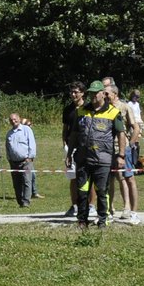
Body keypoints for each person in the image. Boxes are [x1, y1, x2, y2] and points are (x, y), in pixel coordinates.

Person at [72, 80, 124, 228]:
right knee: (82, 192)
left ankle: (103, 220)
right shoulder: (81, 110)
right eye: (91, 93)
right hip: (83, 158)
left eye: (96, 93)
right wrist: (69, 154)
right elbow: (74, 134)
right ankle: (82, 220)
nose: (94, 96)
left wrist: (121, 155)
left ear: (103, 94)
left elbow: (121, 134)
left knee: (101, 191)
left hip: (103, 159)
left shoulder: (114, 112)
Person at [107, 83, 141, 223]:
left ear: (115, 94)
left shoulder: (125, 107)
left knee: (128, 178)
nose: (104, 96)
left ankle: (130, 209)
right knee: (108, 179)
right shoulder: (104, 108)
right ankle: (109, 209)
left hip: (122, 148)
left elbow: (136, 128)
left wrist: (130, 145)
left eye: (107, 93)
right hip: (107, 149)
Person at [60, 83, 86, 217]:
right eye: (71, 92)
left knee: (88, 177)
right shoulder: (67, 109)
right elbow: (65, 129)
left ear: (82, 93)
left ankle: (90, 206)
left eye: (76, 92)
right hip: (71, 146)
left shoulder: (88, 107)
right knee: (73, 177)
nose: (73, 94)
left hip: (85, 146)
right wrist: (65, 145)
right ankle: (74, 205)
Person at [3, 111, 36, 210]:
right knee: (16, 183)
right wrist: (9, 159)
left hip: (26, 161)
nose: (13, 121)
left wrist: (30, 157)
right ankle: (20, 201)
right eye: (11, 120)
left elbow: (32, 144)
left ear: (19, 118)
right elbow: (7, 147)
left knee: (26, 181)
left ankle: (26, 202)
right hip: (13, 162)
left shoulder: (27, 130)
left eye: (15, 119)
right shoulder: (9, 134)